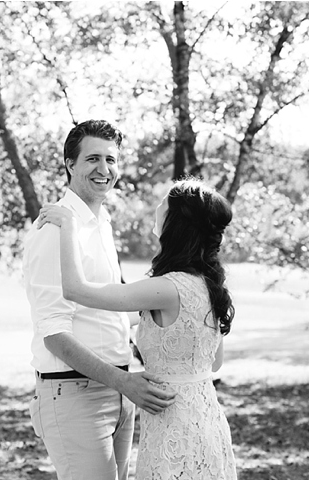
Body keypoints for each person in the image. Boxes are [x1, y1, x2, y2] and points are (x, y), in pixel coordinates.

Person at [38, 178, 238, 480]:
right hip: (206, 416)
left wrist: (69, 225)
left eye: (163, 203)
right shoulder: (208, 285)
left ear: (176, 222)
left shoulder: (164, 288)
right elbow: (214, 361)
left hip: (172, 422)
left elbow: (75, 289)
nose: (156, 207)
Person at [23, 119, 176, 480]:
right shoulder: (54, 230)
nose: (104, 169)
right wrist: (123, 382)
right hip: (75, 391)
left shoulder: (101, 223)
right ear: (70, 164)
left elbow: (108, 313)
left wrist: (185, 306)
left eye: (111, 159)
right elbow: (53, 332)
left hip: (119, 391)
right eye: (93, 158)